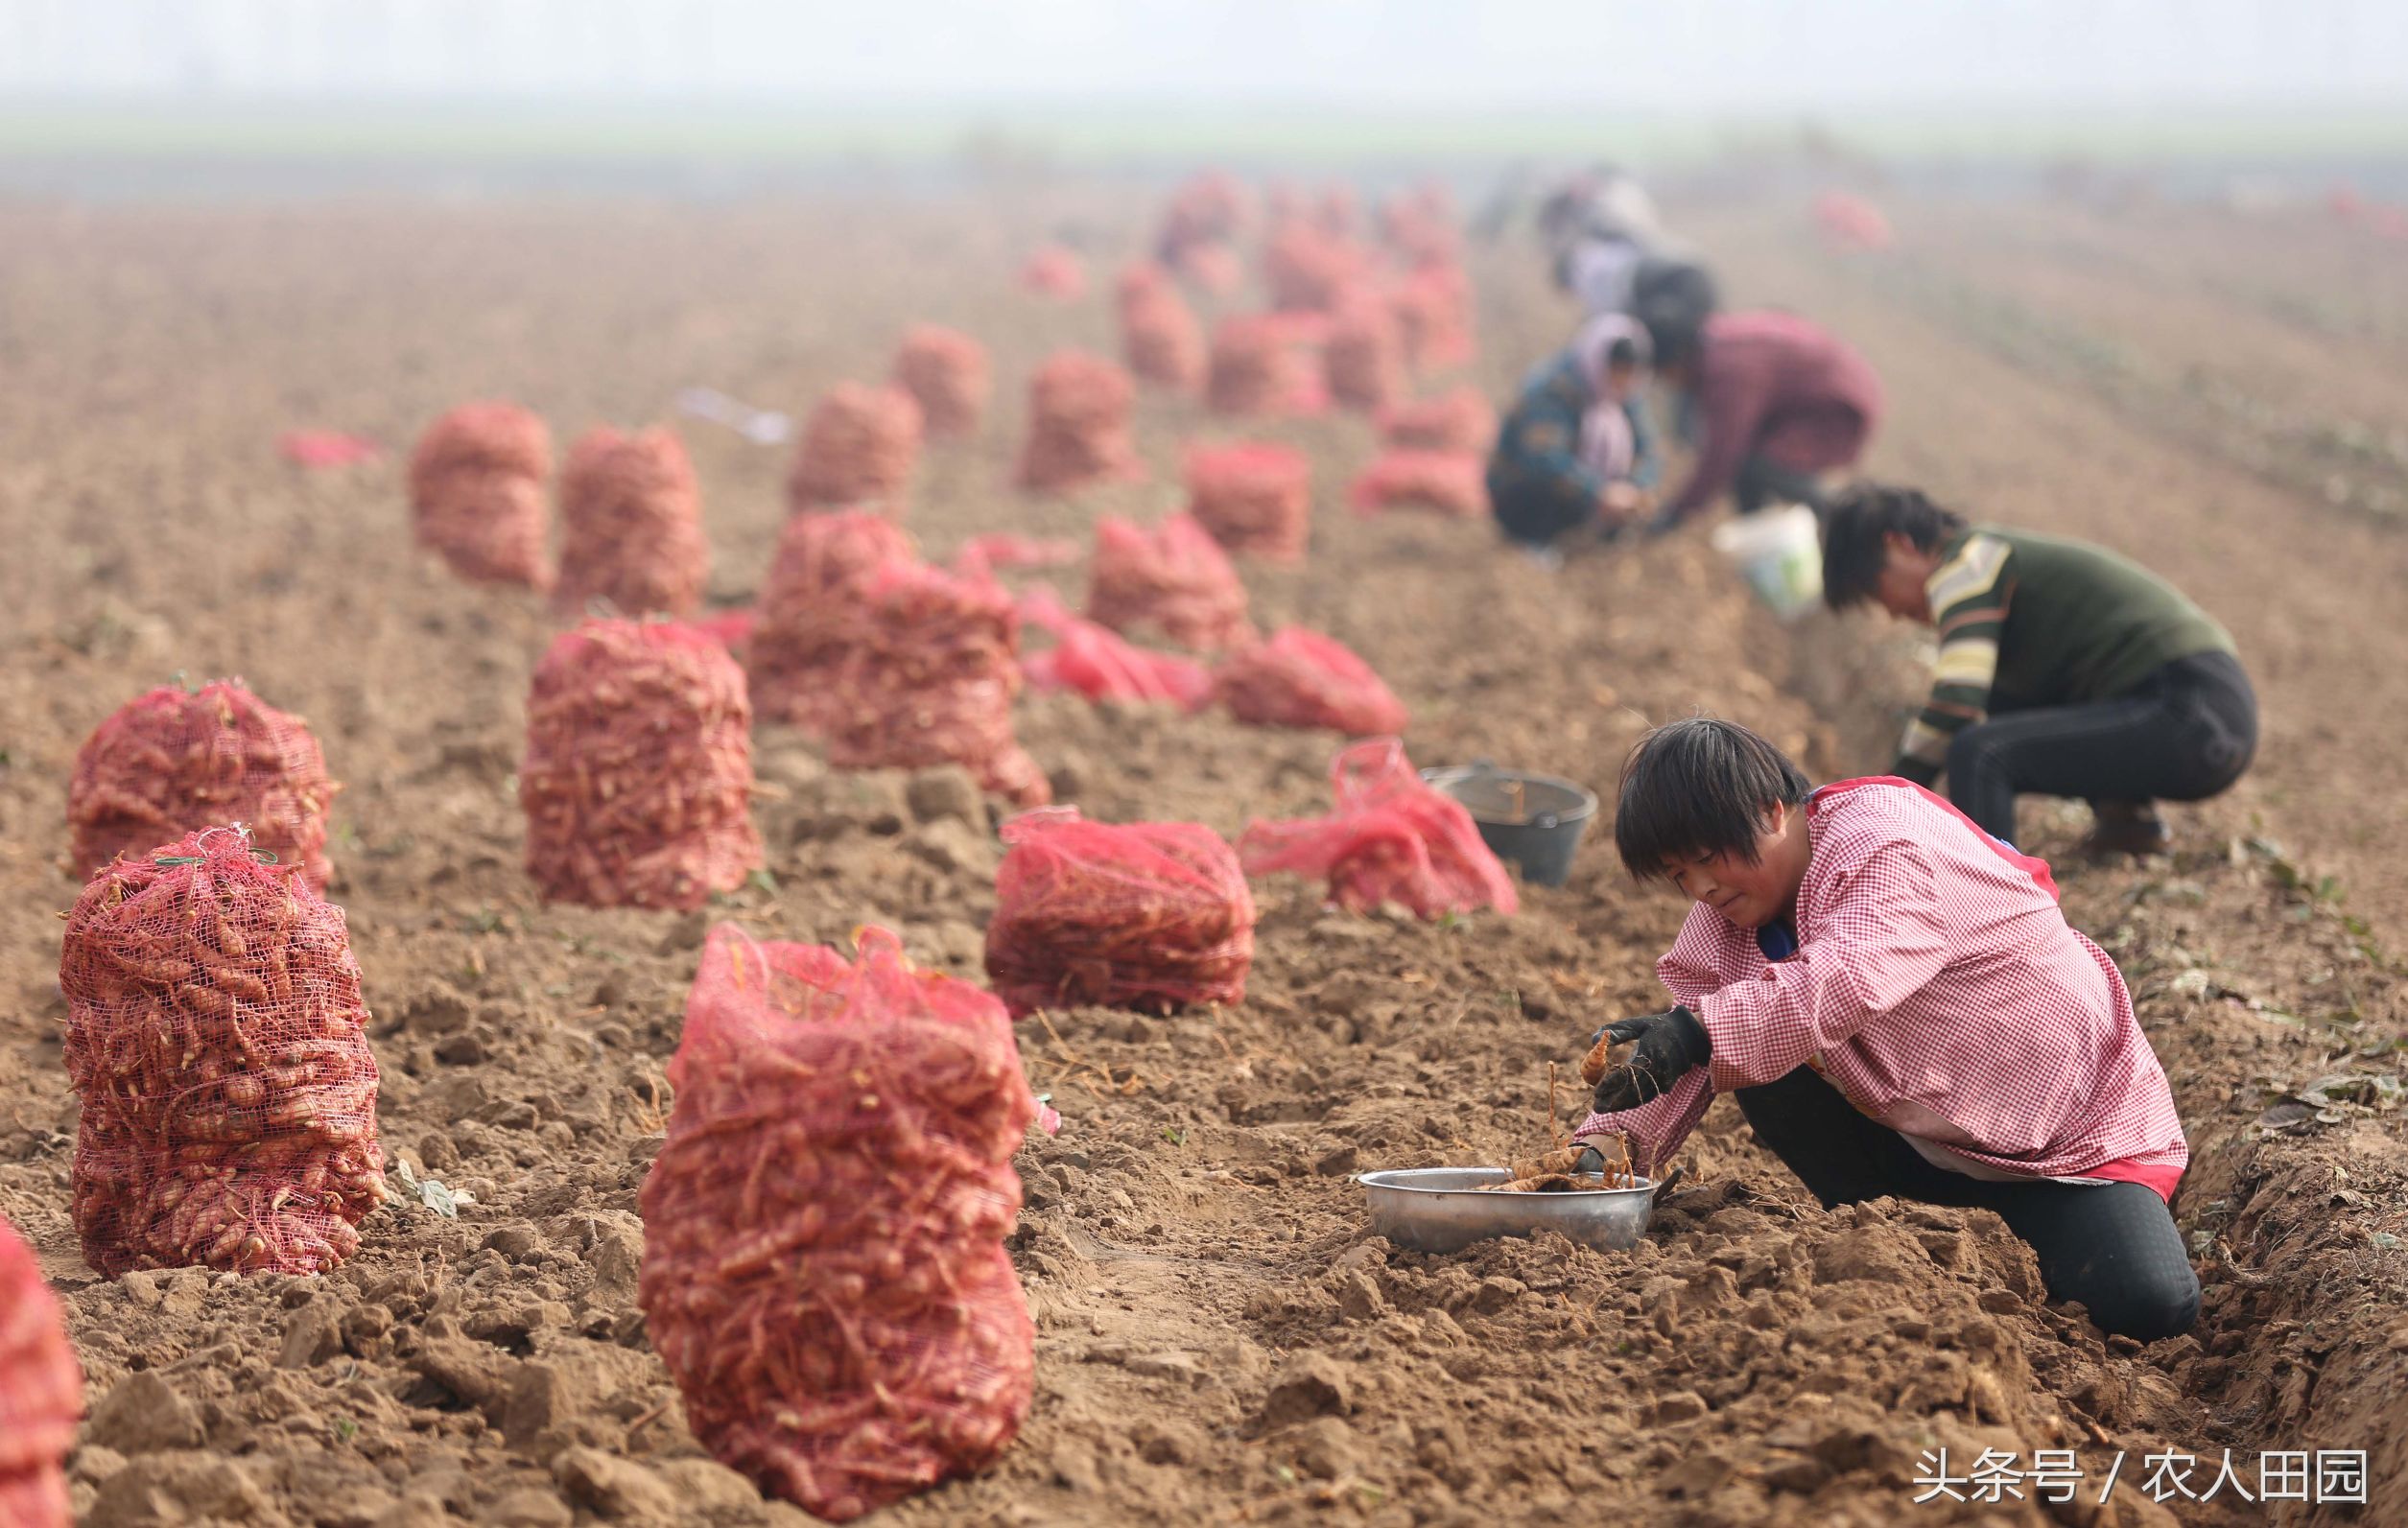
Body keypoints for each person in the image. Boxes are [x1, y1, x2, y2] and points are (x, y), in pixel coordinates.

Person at [1572, 717, 2200, 1342]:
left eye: (1709, 859)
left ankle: (2034, 1235)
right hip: (1932, 1146)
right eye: (1680, 875)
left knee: (2148, 1303)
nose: (1703, 888)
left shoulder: (1885, 840)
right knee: (1744, 1047)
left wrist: (1697, 1030)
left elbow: (1851, 973)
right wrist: (1590, 1166)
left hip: (2070, 1142)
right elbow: (1686, 1055)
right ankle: (1908, 1233)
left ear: (1770, 813)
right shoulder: (1724, 926)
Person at [1820, 485, 2256, 855]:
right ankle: (2127, 818)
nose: (1893, 613)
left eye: (1877, 592)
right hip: (2202, 711)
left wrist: (1881, 800)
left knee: (1981, 753)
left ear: (1899, 544)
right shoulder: (1984, 558)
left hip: (2191, 709)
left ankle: (1998, 907)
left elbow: (1955, 705)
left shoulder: (1966, 564)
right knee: (2002, 701)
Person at [1646, 309, 1882, 527]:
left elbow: (1723, 453)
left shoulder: (1725, 372)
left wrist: (1677, 512)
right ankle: (1763, 544)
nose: (1670, 384)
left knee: (1762, 464)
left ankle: (1849, 518)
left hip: (1839, 403)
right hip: (1829, 390)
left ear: (1679, 357)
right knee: (1749, 464)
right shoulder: (1714, 344)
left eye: (1665, 374)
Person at [1485, 315, 1662, 558]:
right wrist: (1599, 493)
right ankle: (1537, 540)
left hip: (1595, 493)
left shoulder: (1625, 393)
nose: (1621, 382)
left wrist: (1636, 487)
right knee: (1543, 487)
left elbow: (1647, 448)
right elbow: (1544, 459)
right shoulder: (1553, 388)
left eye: (1628, 375)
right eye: (1615, 372)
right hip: (1522, 492)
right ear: (1599, 361)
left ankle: (1596, 531)